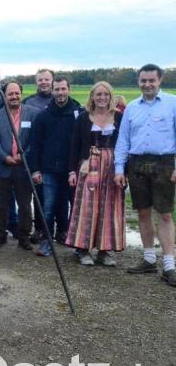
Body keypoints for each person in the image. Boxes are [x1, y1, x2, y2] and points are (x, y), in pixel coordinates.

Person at [115, 64, 176, 286]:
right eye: (143, 81)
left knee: (165, 214)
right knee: (142, 212)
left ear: (160, 80)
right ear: (138, 82)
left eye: (151, 80)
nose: (147, 84)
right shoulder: (131, 108)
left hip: (164, 164)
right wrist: (119, 169)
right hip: (137, 163)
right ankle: (149, 259)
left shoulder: (172, 103)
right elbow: (123, 141)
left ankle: (169, 264)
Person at [66, 81, 125, 266]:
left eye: (105, 94)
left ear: (111, 96)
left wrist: (124, 170)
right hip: (89, 165)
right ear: (92, 96)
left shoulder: (119, 117)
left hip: (112, 166)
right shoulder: (83, 118)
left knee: (109, 207)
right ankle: (82, 249)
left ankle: (104, 250)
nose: (102, 97)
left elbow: (124, 144)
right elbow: (74, 146)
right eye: (98, 94)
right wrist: (71, 171)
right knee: (87, 208)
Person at [30, 76, 83, 257]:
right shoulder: (43, 116)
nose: (60, 93)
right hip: (49, 170)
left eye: (63, 89)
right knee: (48, 208)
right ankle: (46, 242)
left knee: (76, 208)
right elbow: (35, 144)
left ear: (69, 89)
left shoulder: (78, 113)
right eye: (57, 90)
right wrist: (36, 169)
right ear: (52, 91)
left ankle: (78, 244)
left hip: (72, 170)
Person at [0, 81, 40, 250]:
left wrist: (22, 155)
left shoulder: (33, 114)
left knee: (25, 205)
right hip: (3, 166)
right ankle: (0, 235)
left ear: (21, 93)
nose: (14, 96)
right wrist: (5, 157)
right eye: (10, 93)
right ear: (4, 95)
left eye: (16, 93)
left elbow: (35, 140)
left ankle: (24, 236)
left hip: (23, 166)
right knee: (1, 204)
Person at [22, 68, 55, 242]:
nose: (43, 82)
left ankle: (59, 229)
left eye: (46, 79)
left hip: (56, 156)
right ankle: (39, 229)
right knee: (38, 194)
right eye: (40, 80)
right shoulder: (28, 102)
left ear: (52, 81)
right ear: (36, 82)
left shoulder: (59, 100)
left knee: (58, 196)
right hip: (35, 156)